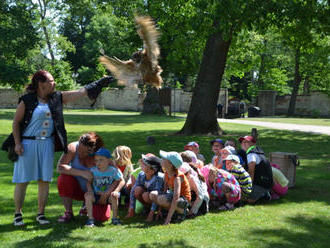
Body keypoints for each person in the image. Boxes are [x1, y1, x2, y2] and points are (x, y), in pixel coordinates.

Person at [7, 70, 112, 226]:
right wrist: (17, 143)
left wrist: (96, 84)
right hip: (27, 144)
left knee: (44, 181)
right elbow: (16, 123)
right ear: (40, 84)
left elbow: (79, 93)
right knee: (23, 180)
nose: (54, 83)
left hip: (47, 144)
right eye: (51, 81)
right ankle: (18, 214)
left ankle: (40, 214)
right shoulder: (27, 100)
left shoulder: (57, 98)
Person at [57, 132, 110, 223]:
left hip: (96, 193)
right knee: (63, 178)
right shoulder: (72, 148)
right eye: (80, 150)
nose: (80, 154)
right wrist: (82, 173)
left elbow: (114, 175)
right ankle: (68, 212)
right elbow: (60, 167)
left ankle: (86, 206)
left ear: (93, 150)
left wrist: (106, 194)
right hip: (77, 189)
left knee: (101, 218)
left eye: (84, 152)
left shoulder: (101, 154)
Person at [85, 148, 125, 227]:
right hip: (96, 194)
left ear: (108, 160)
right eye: (96, 160)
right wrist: (90, 191)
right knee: (88, 196)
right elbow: (88, 182)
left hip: (108, 196)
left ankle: (115, 218)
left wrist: (116, 191)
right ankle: (90, 219)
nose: (98, 163)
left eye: (101, 160)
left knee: (114, 197)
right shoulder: (93, 170)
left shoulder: (113, 170)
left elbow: (120, 180)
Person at [150, 150, 191, 225]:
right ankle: (174, 212)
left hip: (183, 199)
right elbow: (164, 191)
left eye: (164, 159)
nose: (161, 159)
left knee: (161, 199)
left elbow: (176, 197)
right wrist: (159, 210)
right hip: (172, 196)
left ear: (171, 164)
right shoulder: (166, 174)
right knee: (153, 194)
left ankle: (182, 211)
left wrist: (168, 220)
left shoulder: (177, 177)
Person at [126, 154, 164, 222]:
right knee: (137, 190)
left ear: (152, 169)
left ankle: (152, 212)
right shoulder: (141, 174)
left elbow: (157, 195)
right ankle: (147, 209)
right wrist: (131, 209)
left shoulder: (159, 177)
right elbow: (133, 190)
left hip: (158, 201)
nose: (141, 163)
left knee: (148, 195)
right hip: (147, 197)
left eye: (144, 164)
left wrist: (151, 215)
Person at [239, 135, 273, 203]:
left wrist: (248, 188)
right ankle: (264, 194)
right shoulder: (258, 152)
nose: (243, 144)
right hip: (266, 182)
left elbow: (251, 172)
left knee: (243, 199)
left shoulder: (251, 155)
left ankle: (263, 195)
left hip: (260, 184)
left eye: (246, 142)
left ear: (253, 143)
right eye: (242, 142)